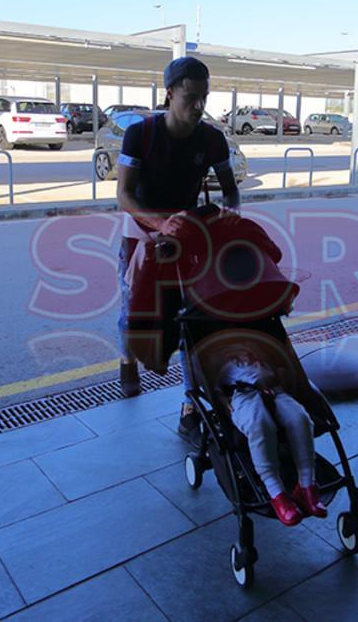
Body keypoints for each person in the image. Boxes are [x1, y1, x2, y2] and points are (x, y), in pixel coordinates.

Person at [115, 56, 242, 443]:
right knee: (132, 310)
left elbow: (231, 190)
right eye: (190, 97)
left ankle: (190, 406)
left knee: (191, 317)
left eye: (204, 97)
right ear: (169, 93)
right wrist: (159, 223)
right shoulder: (141, 134)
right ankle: (127, 360)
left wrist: (229, 216)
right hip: (140, 233)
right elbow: (123, 194)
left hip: (187, 235)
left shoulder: (212, 138)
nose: (199, 106)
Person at [212, 337, 327, 527]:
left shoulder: (263, 359)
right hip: (243, 396)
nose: (244, 351)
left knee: (300, 419)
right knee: (260, 425)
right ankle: (276, 493)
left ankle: (306, 485)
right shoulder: (225, 367)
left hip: (274, 390)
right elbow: (216, 389)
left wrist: (279, 374)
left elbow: (281, 370)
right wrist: (223, 403)